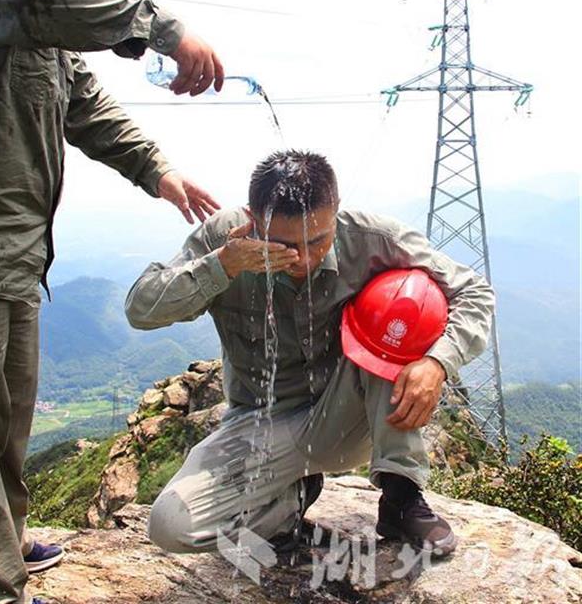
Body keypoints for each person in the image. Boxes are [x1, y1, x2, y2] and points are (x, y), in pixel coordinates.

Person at [0, 0, 224, 602]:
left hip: (13, 253)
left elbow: (82, 104)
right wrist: (157, 24)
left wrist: (157, 171)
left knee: (5, 425)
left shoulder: (46, 14)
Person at [125, 149, 496, 560]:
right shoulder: (225, 241)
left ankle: (401, 497)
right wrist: (222, 267)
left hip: (350, 414)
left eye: (317, 240)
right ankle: (288, 505)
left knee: (396, 317)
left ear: (335, 213)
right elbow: (141, 309)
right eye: (281, 245)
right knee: (171, 526)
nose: (301, 257)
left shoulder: (370, 240)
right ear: (252, 217)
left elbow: (474, 291)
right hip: (261, 422)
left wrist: (437, 362)